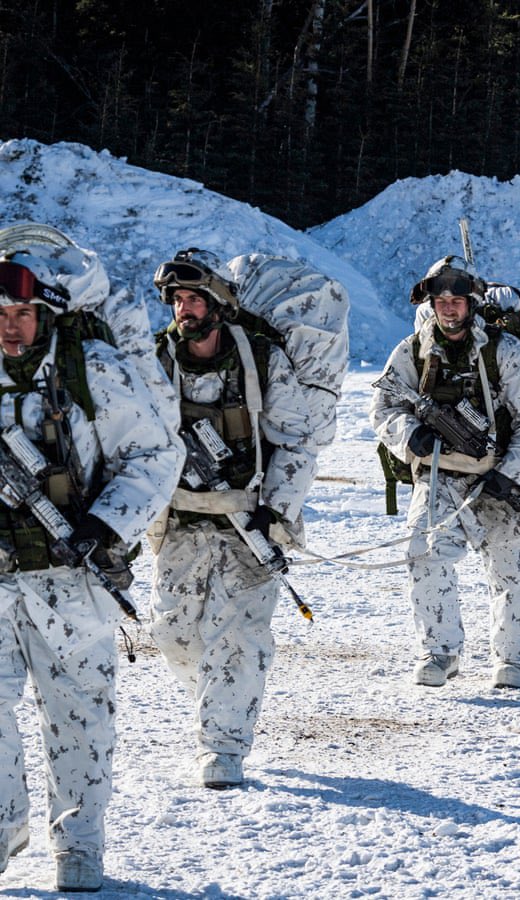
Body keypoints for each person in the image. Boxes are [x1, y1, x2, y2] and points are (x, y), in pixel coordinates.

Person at [0, 231, 182, 891]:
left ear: (46, 312)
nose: (10, 327)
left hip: (70, 577)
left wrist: (106, 527)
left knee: (78, 718)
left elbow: (156, 454)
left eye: (23, 314)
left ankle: (77, 844)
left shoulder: (89, 368)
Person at [147, 249, 317, 789]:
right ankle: (217, 697)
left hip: (249, 520)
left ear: (218, 304)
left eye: (193, 299)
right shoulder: (155, 360)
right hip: (181, 519)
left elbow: (297, 441)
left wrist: (277, 508)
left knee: (238, 637)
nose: (183, 309)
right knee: (173, 633)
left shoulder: (261, 360)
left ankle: (222, 746)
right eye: (177, 300)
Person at [370, 256, 520, 690]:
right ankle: (439, 652)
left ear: (472, 303)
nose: (448, 308)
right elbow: (384, 407)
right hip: (440, 476)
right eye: (441, 301)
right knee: (424, 556)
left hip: (499, 477)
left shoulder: (505, 351)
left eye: (457, 300)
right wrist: (410, 435)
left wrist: (511, 476)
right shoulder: (412, 351)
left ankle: (513, 659)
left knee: (512, 567)